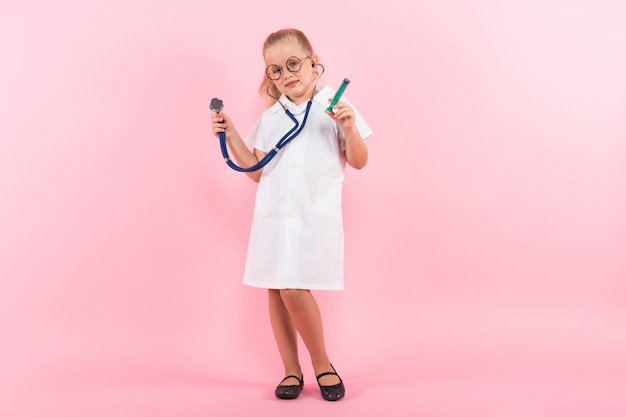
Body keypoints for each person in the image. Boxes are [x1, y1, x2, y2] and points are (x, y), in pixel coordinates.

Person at [210, 28, 372, 401]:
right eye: (275, 70)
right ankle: (290, 371)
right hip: (273, 216)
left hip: (313, 217)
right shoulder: (272, 116)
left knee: (294, 290)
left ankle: (322, 363)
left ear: (315, 65)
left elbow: (360, 162)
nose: (286, 75)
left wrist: (349, 128)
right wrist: (232, 133)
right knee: (276, 291)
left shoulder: (334, 107)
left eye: (293, 64)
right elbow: (255, 171)